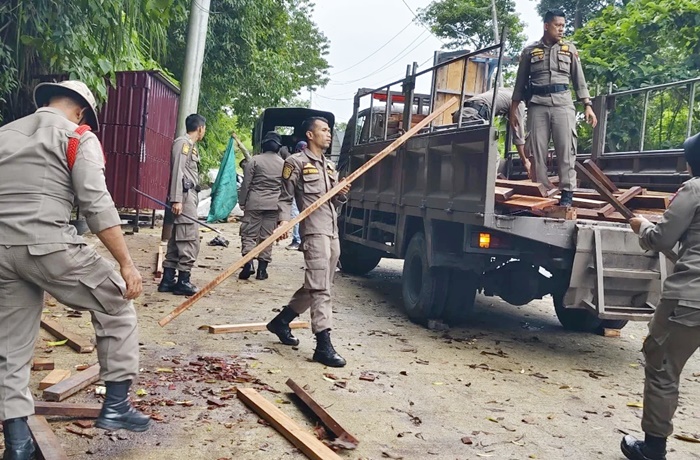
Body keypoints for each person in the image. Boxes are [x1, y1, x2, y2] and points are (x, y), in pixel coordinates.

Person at [0, 80, 151, 459]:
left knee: (11, 349)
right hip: (50, 248)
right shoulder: (78, 136)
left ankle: (18, 446)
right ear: (82, 110)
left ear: (46, 101)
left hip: (1, 252)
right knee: (116, 303)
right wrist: (126, 264)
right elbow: (96, 204)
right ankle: (116, 407)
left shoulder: (4, 134)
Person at [622, 132, 700, 460]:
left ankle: (653, 448)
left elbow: (663, 236)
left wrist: (641, 226)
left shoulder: (695, 189)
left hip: (688, 300)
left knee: (662, 366)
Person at [268, 117, 350, 367]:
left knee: (319, 282)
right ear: (310, 135)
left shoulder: (330, 166)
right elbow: (285, 197)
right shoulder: (295, 162)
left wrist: (342, 196)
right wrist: (284, 222)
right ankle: (323, 345)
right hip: (314, 231)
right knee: (321, 287)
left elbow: (333, 202)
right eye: (323, 130)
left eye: (329, 130)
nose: (328, 134)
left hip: (332, 229)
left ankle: (281, 321)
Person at [511, 9, 597, 207]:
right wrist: (513, 109)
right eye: (558, 25)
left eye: (563, 26)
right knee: (537, 150)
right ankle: (540, 189)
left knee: (566, 148)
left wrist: (587, 105)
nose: (561, 29)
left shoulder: (569, 49)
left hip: (563, 103)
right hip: (537, 105)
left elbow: (579, 79)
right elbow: (520, 83)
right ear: (546, 26)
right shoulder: (530, 51)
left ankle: (567, 193)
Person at [158, 114, 206, 296]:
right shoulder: (183, 143)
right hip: (183, 198)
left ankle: (168, 279)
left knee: (177, 239)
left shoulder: (190, 146)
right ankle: (183, 281)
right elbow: (177, 171)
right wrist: (176, 198)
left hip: (187, 196)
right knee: (189, 238)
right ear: (200, 128)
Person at [453, 87, 532, 179]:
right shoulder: (518, 102)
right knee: (492, 157)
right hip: (473, 117)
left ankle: (468, 188)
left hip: (459, 115)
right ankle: (487, 191)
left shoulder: (505, 91)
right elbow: (518, 134)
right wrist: (526, 161)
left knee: (470, 155)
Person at [238, 131, 285, 280]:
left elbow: (246, 184)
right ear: (279, 147)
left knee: (249, 234)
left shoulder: (254, 161)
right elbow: (286, 188)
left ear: (264, 145)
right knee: (267, 237)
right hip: (274, 204)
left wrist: (242, 201)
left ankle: (248, 265)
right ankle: (262, 271)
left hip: (254, 202)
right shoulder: (284, 164)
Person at [287, 140, 307, 251]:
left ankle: (297, 240)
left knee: (296, 216)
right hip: (307, 194)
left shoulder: (293, 159)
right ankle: (301, 241)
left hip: (296, 193)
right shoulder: (312, 159)